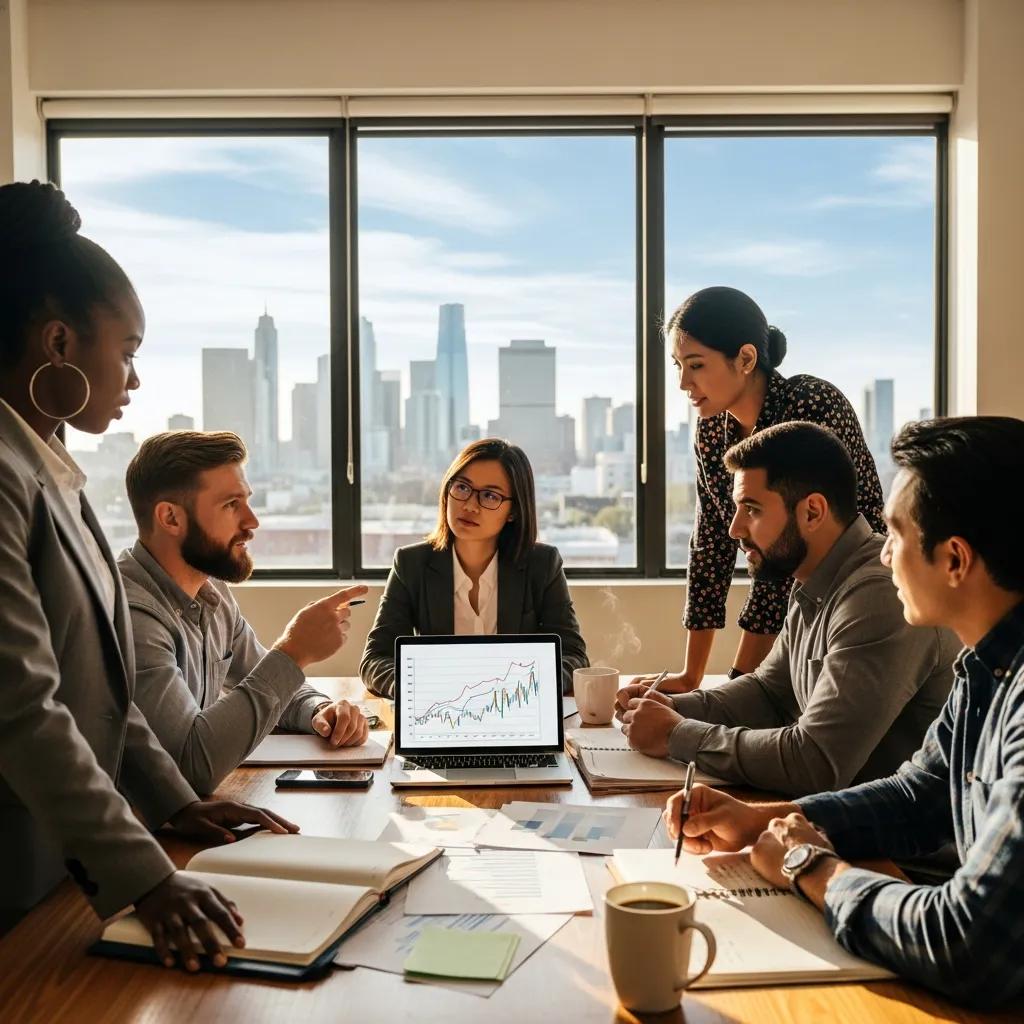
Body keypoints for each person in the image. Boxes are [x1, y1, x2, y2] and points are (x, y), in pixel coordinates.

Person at [0, 181, 297, 967]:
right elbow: (24, 708)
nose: (133, 379)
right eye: (126, 350)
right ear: (59, 343)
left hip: (63, 871)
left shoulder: (49, 472)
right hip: (19, 867)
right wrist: (150, 878)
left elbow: (103, 694)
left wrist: (177, 804)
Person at [663, 416, 1024, 1008]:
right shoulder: (987, 668)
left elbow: (969, 943)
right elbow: (919, 795)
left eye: (895, 534)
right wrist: (767, 820)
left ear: (955, 560)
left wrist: (809, 864)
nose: (883, 554)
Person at [616, 422, 957, 796]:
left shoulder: (876, 597)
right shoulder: (814, 578)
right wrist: (672, 707)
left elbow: (815, 763)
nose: (734, 529)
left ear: (812, 512)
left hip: (892, 850)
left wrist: (675, 733)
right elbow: (769, 693)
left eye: (752, 509)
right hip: (833, 828)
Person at [640, 286, 885, 694]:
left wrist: (737, 686)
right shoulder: (711, 431)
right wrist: (691, 677)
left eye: (696, 365)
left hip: (853, 601)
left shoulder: (810, 405)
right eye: (677, 365)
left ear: (746, 359)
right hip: (794, 613)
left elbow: (788, 557)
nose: (683, 381)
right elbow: (712, 545)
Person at [118, 430, 369, 795]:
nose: (252, 522)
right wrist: (294, 652)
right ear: (170, 518)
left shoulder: (212, 592)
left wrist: (320, 712)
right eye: (231, 504)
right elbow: (189, 768)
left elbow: (267, 683)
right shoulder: (132, 615)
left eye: (247, 501)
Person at [361, 437, 588, 697]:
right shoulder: (411, 564)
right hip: (441, 714)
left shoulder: (542, 564)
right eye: (462, 488)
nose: (469, 505)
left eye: (490, 496)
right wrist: (422, 688)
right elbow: (376, 659)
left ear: (513, 511)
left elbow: (574, 658)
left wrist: (516, 690)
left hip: (514, 711)